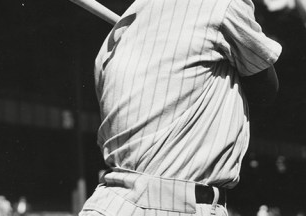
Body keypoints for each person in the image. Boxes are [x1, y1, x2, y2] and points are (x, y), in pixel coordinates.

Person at [80, 0, 282, 215]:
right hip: (173, 206)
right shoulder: (218, 4)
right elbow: (266, 90)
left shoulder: (118, 34)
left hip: (109, 204)